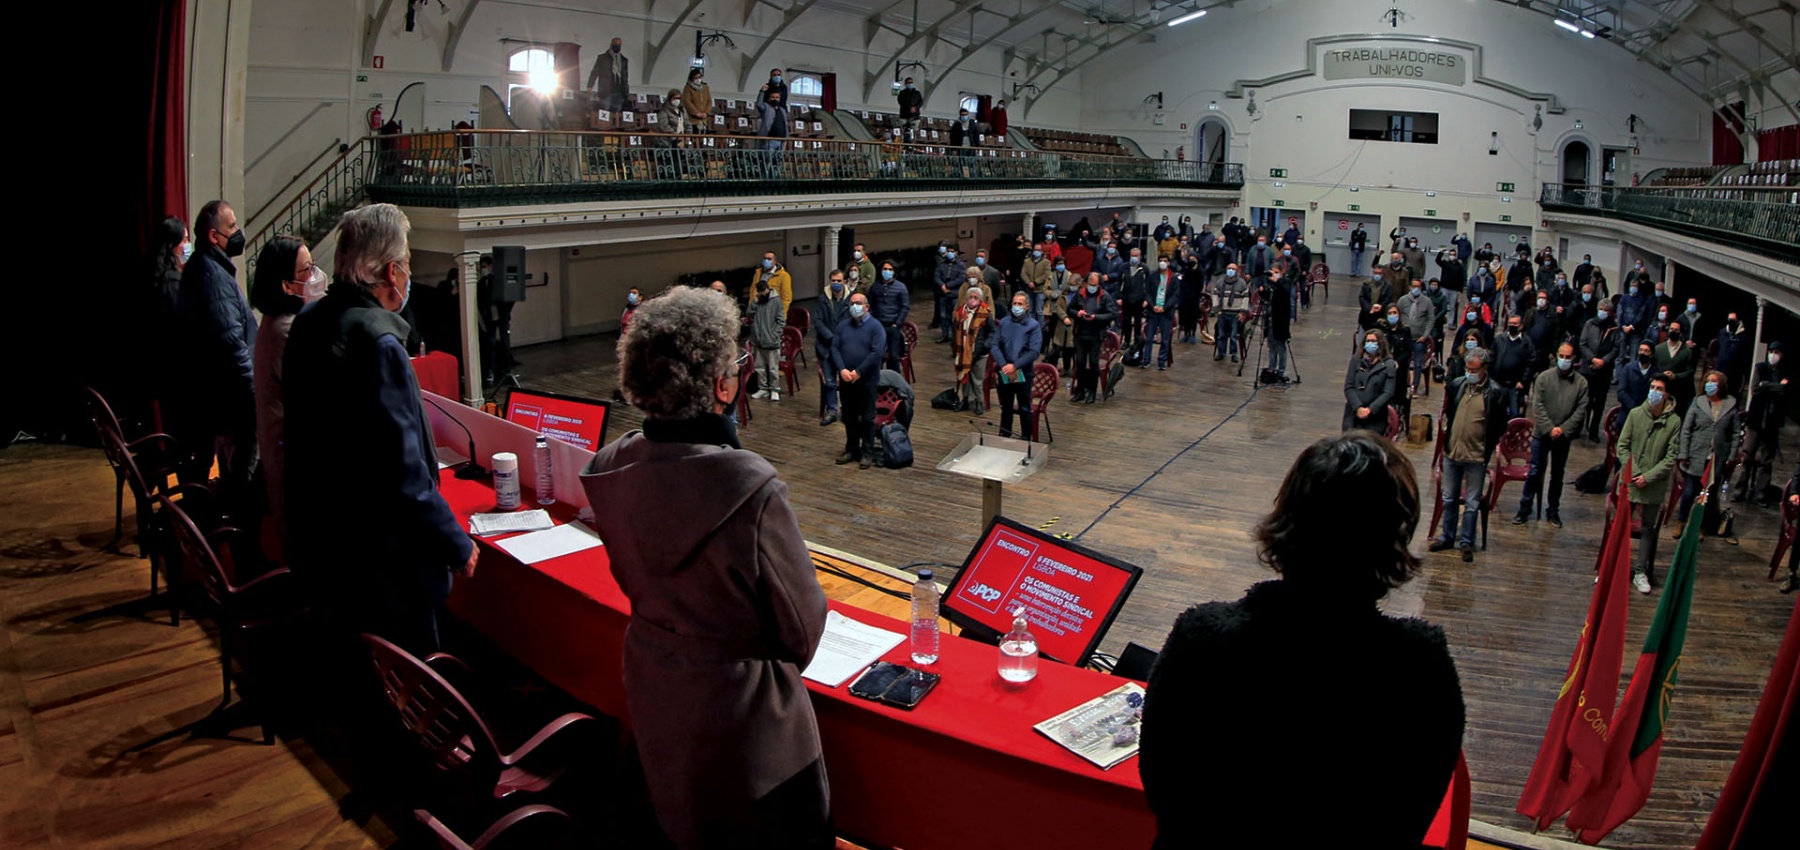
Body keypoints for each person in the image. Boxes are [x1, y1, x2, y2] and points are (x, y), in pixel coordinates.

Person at [579, 287, 831, 849]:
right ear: (722, 385)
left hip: (654, 687)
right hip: (745, 720)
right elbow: (802, 628)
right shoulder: (750, 486)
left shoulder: (609, 465)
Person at [1141, 432, 1465, 850]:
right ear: (1393, 537)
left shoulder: (1202, 639)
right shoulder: (1422, 668)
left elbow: (1163, 785)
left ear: (1288, 519)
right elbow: (1409, 816)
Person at [284, 203, 475, 654]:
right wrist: (456, 544)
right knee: (413, 674)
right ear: (392, 271)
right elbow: (403, 473)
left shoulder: (308, 321)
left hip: (324, 543)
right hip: (385, 565)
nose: (407, 274)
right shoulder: (379, 342)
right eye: (406, 263)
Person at [174, 200, 258, 502]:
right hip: (229, 397)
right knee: (240, 471)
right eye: (232, 226)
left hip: (217, 394)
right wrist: (253, 389)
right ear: (214, 236)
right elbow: (230, 342)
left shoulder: (207, 267)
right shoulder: (211, 276)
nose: (237, 232)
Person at [250, 235, 322, 559]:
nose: (315, 276)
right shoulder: (286, 330)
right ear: (286, 285)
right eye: (307, 270)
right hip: (290, 459)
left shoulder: (278, 321)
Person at [1431, 347, 1509, 562]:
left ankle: (1466, 541)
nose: (1469, 373)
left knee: (1472, 503)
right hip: (1452, 452)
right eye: (1467, 369)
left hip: (1476, 456)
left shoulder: (1495, 393)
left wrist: (1488, 446)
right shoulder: (1457, 385)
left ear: (1484, 369)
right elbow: (1450, 412)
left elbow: (1500, 425)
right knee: (1449, 498)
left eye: (1474, 370)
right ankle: (1447, 537)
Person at [1616, 376, 1682, 594]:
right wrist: (1635, 472)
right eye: (1652, 387)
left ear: (1667, 394)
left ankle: (1640, 571)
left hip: (1653, 484)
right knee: (1621, 526)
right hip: (1630, 480)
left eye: (1659, 388)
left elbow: (1670, 457)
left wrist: (1648, 476)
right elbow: (1622, 446)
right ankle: (1614, 567)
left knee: (1648, 529)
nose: (1654, 391)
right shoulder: (1635, 414)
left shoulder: (1674, 422)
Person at [1515, 343, 1589, 527]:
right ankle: (1525, 507)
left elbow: (1580, 410)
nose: (1564, 360)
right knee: (1534, 471)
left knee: (1557, 474)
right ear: (1556, 356)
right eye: (1561, 356)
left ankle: (1553, 510)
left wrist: (1562, 429)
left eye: (1568, 357)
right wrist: (1550, 428)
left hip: (1563, 437)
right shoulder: (1543, 377)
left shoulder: (1581, 383)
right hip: (1542, 433)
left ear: (1574, 358)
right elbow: (1538, 406)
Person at [1674, 371, 1739, 539]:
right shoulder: (1698, 402)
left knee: (1708, 494)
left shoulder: (1730, 405)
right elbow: (1686, 429)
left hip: (1716, 458)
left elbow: (1735, 434)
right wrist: (1683, 453)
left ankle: (1700, 526)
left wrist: (1731, 457)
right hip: (1696, 454)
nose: (1710, 384)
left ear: (1721, 385)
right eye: (1708, 381)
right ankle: (1681, 521)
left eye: (1714, 381)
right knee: (1689, 491)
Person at [832, 293, 886, 469]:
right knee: (849, 416)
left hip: (867, 381)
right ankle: (851, 449)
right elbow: (835, 348)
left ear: (867, 307)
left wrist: (859, 372)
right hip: (847, 379)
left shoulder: (876, 327)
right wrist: (842, 369)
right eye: (852, 303)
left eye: (858, 303)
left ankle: (868, 452)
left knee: (868, 418)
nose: (854, 306)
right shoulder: (843, 326)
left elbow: (876, 353)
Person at [1735, 343, 1787, 506]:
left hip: (1771, 422)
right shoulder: (1760, 368)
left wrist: (1766, 385)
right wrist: (1774, 386)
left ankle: (1760, 493)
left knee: (1766, 461)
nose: (1773, 355)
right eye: (1771, 351)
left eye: (1776, 352)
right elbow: (1755, 389)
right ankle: (1740, 490)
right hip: (1755, 420)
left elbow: (1784, 391)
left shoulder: (1784, 371)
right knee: (1747, 457)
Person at [991, 292, 1042, 440]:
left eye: (1020, 304)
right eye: (1014, 303)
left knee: (1024, 407)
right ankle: (1004, 435)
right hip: (1005, 371)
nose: (1016, 306)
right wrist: (1004, 365)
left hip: (1023, 372)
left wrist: (1015, 365)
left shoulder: (1033, 325)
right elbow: (995, 345)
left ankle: (1026, 438)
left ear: (1027, 306)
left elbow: (1034, 351)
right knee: (1006, 406)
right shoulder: (1004, 322)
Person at [814, 271, 854, 426]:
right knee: (830, 382)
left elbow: (854, 321)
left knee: (846, 381)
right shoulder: (823, 298)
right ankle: (831, 410)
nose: (836, 283)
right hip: (826, 346)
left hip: (845, 348)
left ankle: (846, 409)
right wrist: (831, 338)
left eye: (839, 280)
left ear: (844, 281)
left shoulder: (851, 299)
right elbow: (818, 322)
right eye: (833, 280)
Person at [1069, 273, 1114, 403]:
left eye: (1094, 285)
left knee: (1094, 364)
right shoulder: (1079, 294)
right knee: (1080, 363)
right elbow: (1069, 309)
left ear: (1099, 284)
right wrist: (1078, 313)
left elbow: (1111, 314)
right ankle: (1080, 391)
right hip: (1080, 333)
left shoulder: (1105, 296)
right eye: (1090, 284)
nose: (1091, 287)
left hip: (1096, 335)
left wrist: (1096, 317)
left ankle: (1092, 392)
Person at [1579, 304, 1621, 441]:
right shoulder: (1589, 324)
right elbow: (1582, 344)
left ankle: (1593, 430)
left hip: (1604, 371)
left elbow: (1616, 348)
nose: (1602, 312)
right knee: (1584, 400)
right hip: (1588, 369)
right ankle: (1579, 427)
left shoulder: (1614, 328)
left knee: (1599, 403)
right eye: (1600, 309)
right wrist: (1592, 359)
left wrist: (1603, 361)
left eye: (1605, 310)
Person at [1343, 330, 1397, 432]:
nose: (1370, 344)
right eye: (1367, 341)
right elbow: (1349, 386)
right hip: (1353, 414)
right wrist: (1358, 407)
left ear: (1380, 343)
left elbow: (1388, 392)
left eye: (1373, 341)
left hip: (1376, 417)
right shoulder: (1356, 360)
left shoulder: (1389, 365)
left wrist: (1370, 410)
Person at [951, 287, 992, 414]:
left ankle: (979, 402)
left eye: (975, 298)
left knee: (977, 380)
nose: (972, 300)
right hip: (963, 351)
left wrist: (985, 346)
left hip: (979, 353)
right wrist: (954, 347)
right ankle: (965, 400)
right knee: (964, 377)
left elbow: (993, 332)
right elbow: (955, 331)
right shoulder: (960, 313)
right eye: (970, 297)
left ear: (980, 299)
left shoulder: (986, 313)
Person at [1492, 315, 1536, 418]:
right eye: (1510, 323)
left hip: (1515, 385)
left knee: (1514, 413)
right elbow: (1492, 358)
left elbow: (1531, 363)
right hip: (1499, 382)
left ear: (1521, 326)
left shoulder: (1527, 343)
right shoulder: (1499, 339)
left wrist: (1523, 381)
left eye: (1515, 324)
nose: (1512, 325)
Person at [748, 279, 785, 403]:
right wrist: (754, 302)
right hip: (757, 340)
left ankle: (775, 389)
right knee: (759, 367)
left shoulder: (776, 301)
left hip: (771, 341)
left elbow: (781, 321)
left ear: (768, 289)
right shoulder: (758, 301)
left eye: (764, 291)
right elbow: (749, 314)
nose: (763, 294)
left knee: (773, 368)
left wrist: (774, 335)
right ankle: (762, 388)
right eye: (760, 292)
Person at [869, 261, 909, 372]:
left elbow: (905, 307)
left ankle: (894, 380)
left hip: (893, 326)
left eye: (890, 269)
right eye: (885, 269)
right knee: (878, 355)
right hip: (878, 326)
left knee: (894, 356)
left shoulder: (901, 287)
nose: (887, 271)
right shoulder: (875, 287)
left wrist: (897, 323)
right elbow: (870, 305)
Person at [1145, 256, 1180, 370]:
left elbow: (1175, 295)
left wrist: (1165, 307)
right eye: (1160, 261)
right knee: (1149, 338)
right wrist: (1152, 306)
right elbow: (1147, 292)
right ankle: (1146, 360)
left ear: (1169, 263)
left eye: (1165, 261)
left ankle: (1162, 361)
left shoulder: (1173, 277)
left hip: (1166, 312)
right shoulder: (1153, 276)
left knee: (1165, 339)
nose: (1162, 263)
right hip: (1153, 311)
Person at [1654, 321, 1697, 412]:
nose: (1673, 331)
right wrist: (1661, 375)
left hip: (1679, 391)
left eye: (1676, 330)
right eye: (1671, 329)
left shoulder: (1687, 352)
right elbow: (1654, 368)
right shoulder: (1658, 349)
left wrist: (1675, 376)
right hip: (1661, 390)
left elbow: (1690, 372)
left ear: (1680, 333)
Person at [1213, 264, 1250, 363]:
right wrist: (1217, 309)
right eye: (1229, 268)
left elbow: (1246, 297)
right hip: (1222, 312)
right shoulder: (1220, 282)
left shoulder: (1241, 283)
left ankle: (1234, 354)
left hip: (1235, 313)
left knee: (1233, 336)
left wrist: (1242, 312)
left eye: (1233, 269)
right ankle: (1221, 352)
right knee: (1221, 334)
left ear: (1236, 271)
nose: (1230, 270)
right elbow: (1215, 295)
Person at [934, 246, 968, 342]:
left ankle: (954, 335)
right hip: (943, 294)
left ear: (956, 252)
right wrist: (942, 286)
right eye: (948, 251)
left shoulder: (961, 265)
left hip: (954, 294)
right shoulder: (942, 264)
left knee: (953, 316)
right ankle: (945, 335)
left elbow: (961, 279)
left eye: (952, 251)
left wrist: (947, 286)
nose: (949, 253)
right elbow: (936, 276)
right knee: (943, 315)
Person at [1265, 266, 1294, 377]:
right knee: (1271, 346)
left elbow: (1284, 293)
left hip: (1281, 321)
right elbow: (1267, 298)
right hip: (1270, 319)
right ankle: (1271, 368)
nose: (1274, 274)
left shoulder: (1285, 282)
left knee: (1280, 347)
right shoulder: (1271, 283)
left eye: (1276, 272)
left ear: (1281, 272)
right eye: (1272, 272)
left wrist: (1276, 281)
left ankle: (1281, 370)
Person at [587, 38, 631, 111]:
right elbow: (595, 72)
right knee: (605, 112)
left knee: (616, 113)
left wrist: (626, 93)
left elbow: (625, 77)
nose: (617, 46)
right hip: (606, 90)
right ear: (611, 44)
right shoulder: (602, 58)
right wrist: (590, 86)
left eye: (619, 44)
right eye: (616, 44)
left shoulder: (624, 60)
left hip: (619, 92)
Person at [1618, 341, 1657, 414]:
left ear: (1651, 354)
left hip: (1646, 412)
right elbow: (1621, 392)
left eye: (1646, 351)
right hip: (1627, 410)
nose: (1642, 353)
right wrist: (1634, 408)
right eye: (1641, 350)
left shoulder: (1656, 372)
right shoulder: (1628, 368)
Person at [680, 67, 711, 134]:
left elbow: (709, 101)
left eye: (699, 77)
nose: (698, 79)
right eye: (696, 78)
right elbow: (686, 101)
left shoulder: (705, 88)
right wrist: (696, 113)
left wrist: (706, 112)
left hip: (704, 120)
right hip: (692, 119)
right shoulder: (687, 88)